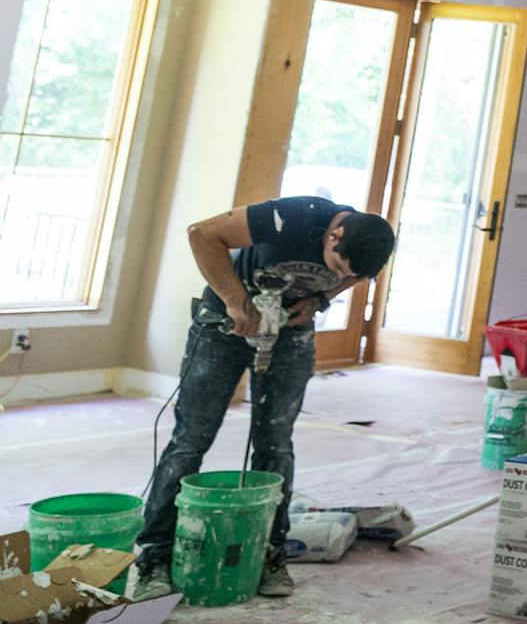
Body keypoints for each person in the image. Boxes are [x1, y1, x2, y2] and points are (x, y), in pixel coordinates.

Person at [128, 196, 396, 601]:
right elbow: (201, 233)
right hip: (224, 325)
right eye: (337, 263)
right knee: (190, 440)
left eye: (346, 272)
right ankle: (154, 556)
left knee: (275, 446)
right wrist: (237, 301)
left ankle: (272, 552)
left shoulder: (361, 246)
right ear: (333, 234)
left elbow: (354, 271)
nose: (337, 273)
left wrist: (322, 299)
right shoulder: (292, 217)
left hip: (290, 334)